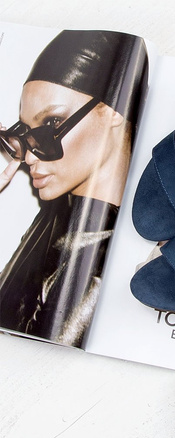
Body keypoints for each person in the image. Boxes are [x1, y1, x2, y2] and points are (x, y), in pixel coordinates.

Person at [0, 30, 147, 346]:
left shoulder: (114, 254)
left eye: (51, 124)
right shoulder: (49, 227)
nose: (28, 156)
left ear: (113, 110)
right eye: (23, 133)